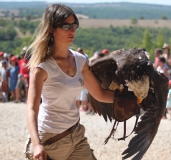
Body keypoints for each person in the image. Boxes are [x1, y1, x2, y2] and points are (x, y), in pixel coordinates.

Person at [25, 4, 114, 160]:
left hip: (76, 134)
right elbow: (32, 108)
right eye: (66, 26)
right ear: (52, 29)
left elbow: (100, 94)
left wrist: (136, 98)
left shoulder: (80, 61)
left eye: (74, 25)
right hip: (50, 140)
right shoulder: (42, 67)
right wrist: (36, 144)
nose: (72, 30)